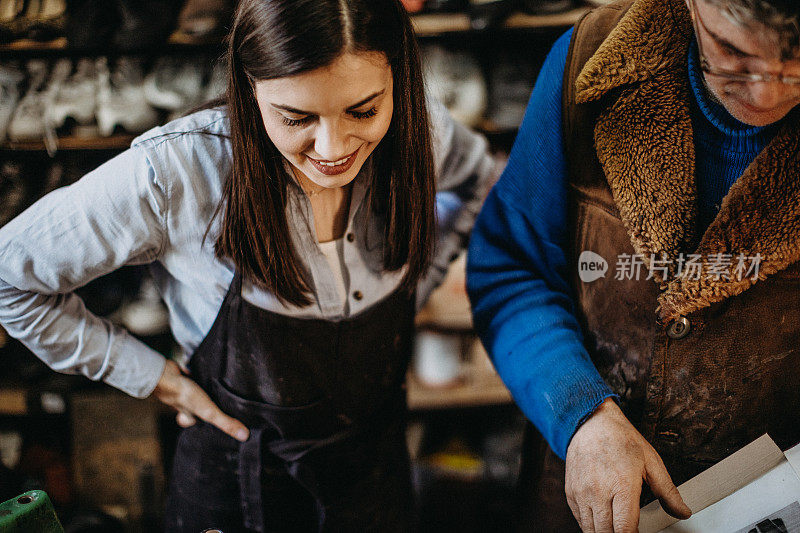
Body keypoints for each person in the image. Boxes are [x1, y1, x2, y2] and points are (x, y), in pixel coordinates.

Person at [0, 0, 495, 531]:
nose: (333, 149)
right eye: (296, 118)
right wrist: (152, 376)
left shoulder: (421, 129)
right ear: (249, 87)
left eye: (363, 110)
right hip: (237, 485)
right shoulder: (179, 172)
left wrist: (418, 283)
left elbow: (478, 180)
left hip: (372, 473)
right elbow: (10, 278)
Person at [466, 0, 800, 531]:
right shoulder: (591, 56)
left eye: (795, 70)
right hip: (581, 491)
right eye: (732, 52)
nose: (764, 95)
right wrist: (582, 415)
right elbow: (511, 270)